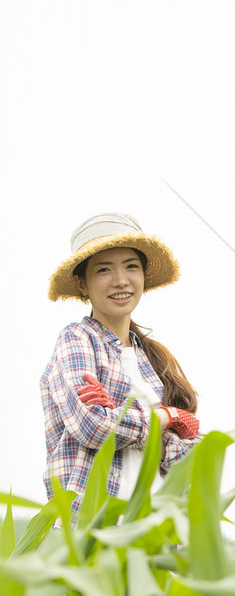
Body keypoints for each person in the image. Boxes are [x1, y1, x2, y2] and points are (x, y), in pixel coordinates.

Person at [41, 212, 202, 520]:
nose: (120, 280)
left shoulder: (153, 358)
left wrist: (124, 417)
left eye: (131, 266)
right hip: (96, 530)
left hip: (159, 533)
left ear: (143, 275)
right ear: (83, 284)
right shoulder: (77, 339)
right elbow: (93, 426)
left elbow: (189, 453)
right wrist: (166, 417)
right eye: (104, 270)